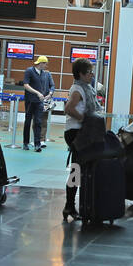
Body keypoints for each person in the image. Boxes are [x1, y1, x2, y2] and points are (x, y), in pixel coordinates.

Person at [61, 58, 102, 221]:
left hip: (81, 133)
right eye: (89, 72)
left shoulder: (86, 88)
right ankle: (69, 205)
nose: (92, 75)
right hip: (76, 133)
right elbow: (69, 108)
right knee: (77, 170)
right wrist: (85, 119)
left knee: (78, 169)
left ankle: (71, 206)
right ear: (81, 74)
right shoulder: (78, 89)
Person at [22, 55, 54, 151]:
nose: (46, 66)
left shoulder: (44, 74)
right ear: (40, 63)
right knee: (28, 122)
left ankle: (37, 144)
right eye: (45, 64)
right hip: (30, 101)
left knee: (38, 122)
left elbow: (48, 86)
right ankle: (25, 143)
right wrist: (37, 93)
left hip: (39, 102)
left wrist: (48, 94)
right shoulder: (29, 71)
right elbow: (26, 85)